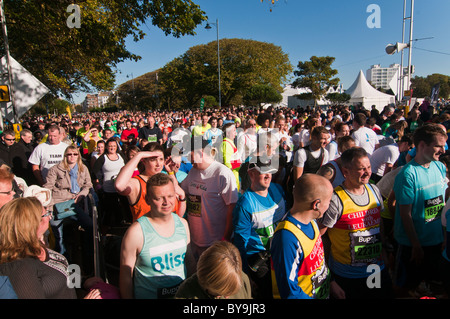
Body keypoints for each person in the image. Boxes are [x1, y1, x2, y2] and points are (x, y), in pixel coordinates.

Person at [318, 147, 392, 299]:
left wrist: (384, 248)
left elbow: (379, 224)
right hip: (346, 275)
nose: (367, 172)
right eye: (361, 169)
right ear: (346, 172)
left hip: (374, 269)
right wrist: (327, 275)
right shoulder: (335, 200)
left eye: (369, 167)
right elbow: (320, 237)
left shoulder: (374, 190)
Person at [0, 197, 101, 299]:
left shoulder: (38, 246)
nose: (50, 217)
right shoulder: (19, 268)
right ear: (32, 223)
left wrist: (82, 281)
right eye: (46, 214)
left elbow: (57, 272)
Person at [393, 123, 448, 298]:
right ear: (422, 145)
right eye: (438, 145)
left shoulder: (439, 167)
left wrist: (444, 236)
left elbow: (442, 199)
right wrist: (416, 245)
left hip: (436, 241)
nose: (443, 150)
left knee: (428, 286)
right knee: (405, 286)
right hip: (412, 245)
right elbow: (405, 213)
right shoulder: (408, 174)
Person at [119, 173, 194, 299]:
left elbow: (190, 261)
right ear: (147, 199)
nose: (166, 202)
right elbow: (126, 276)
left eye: (170, 196)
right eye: (159, 198)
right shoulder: (136, 233)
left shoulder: (183, 224)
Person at [271, 174, 344, 299]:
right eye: (329, 201)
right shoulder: (287, 238)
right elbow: (290, 292)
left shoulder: (312, 222)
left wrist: (331, 281)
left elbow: (319, 260)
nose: (329, 205)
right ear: (316, 204)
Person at [232, 156, 286, 299]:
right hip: (261, 261)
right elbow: (240, 243)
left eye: (270, 171)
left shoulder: (278, 189)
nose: (268, 175)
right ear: (251, 174)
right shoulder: (245, 204)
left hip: (280, 254)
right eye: (263, 171)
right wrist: (245, 276)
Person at [180, 136, 238, 263]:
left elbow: (232, 209)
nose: (188, 159)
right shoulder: (193, 172)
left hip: (215, 244)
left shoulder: (222, 173)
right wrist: (172, 174)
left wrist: (225, 239)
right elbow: (181, 192)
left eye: (190, 155)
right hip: (195, 241)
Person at [43, 145, 94, 272]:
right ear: (65, 156)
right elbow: (47, 188)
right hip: (58, 203)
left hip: (75, 204)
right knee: (57, 235)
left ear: (78, 155)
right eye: (69, 154)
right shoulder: (55, 169)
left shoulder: (83, 168)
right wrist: (48, 208)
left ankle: (89, 258)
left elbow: (88, 185)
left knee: (89, 225)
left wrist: (81, 195)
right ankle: (63, 262)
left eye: (75, 154)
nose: (72, 157)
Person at [115, 142, 186, 223]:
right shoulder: (137, 183)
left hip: (169, 232)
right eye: (153, 160)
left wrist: (171, 173)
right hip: (146, 234)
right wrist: (139, 155)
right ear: (144, 161)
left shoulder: (166, 180)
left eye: (161, 159)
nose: (158, 164)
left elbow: (178, 215)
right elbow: (119, 186)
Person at [175, 241, 252, 299]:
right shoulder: (187, 293)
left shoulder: (242, 280)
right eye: (220, 293)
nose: (227, 296)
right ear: (205, 282)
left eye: (230, 292)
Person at [92, 138, 130, 230]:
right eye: (110, 146)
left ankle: (124, 223)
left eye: (114, 146)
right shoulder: (103, 158)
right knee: (110, 208)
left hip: (122, 186)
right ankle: (108, 227)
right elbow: (94, 172)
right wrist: (97, 184)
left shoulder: (121, 155)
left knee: (124, 205)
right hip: (108, 188)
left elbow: (128, 167)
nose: (112, 148)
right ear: (106, 147)